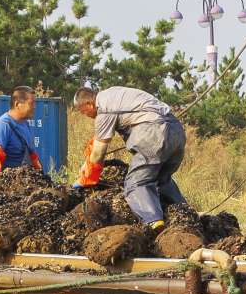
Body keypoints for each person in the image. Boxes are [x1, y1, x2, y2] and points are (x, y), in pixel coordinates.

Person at [71, 85, 188, 228]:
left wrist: (86, 179)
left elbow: (98, 152)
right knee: (161, 180)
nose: (86, 116)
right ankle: (186, 214)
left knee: (135, 184)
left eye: (83, 112)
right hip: (176, 133)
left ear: (89, 104)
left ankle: (154, 221)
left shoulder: (104, 109)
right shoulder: (113, 93)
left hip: (154, 133)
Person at [0, 86, 44, 178]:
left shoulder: (26, 124)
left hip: (26, 183)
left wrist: (41, 175)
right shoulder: (2, 126)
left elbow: (32, 156)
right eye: (31, 103)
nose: (35, 107)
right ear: (17, 104)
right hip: (9, 186)